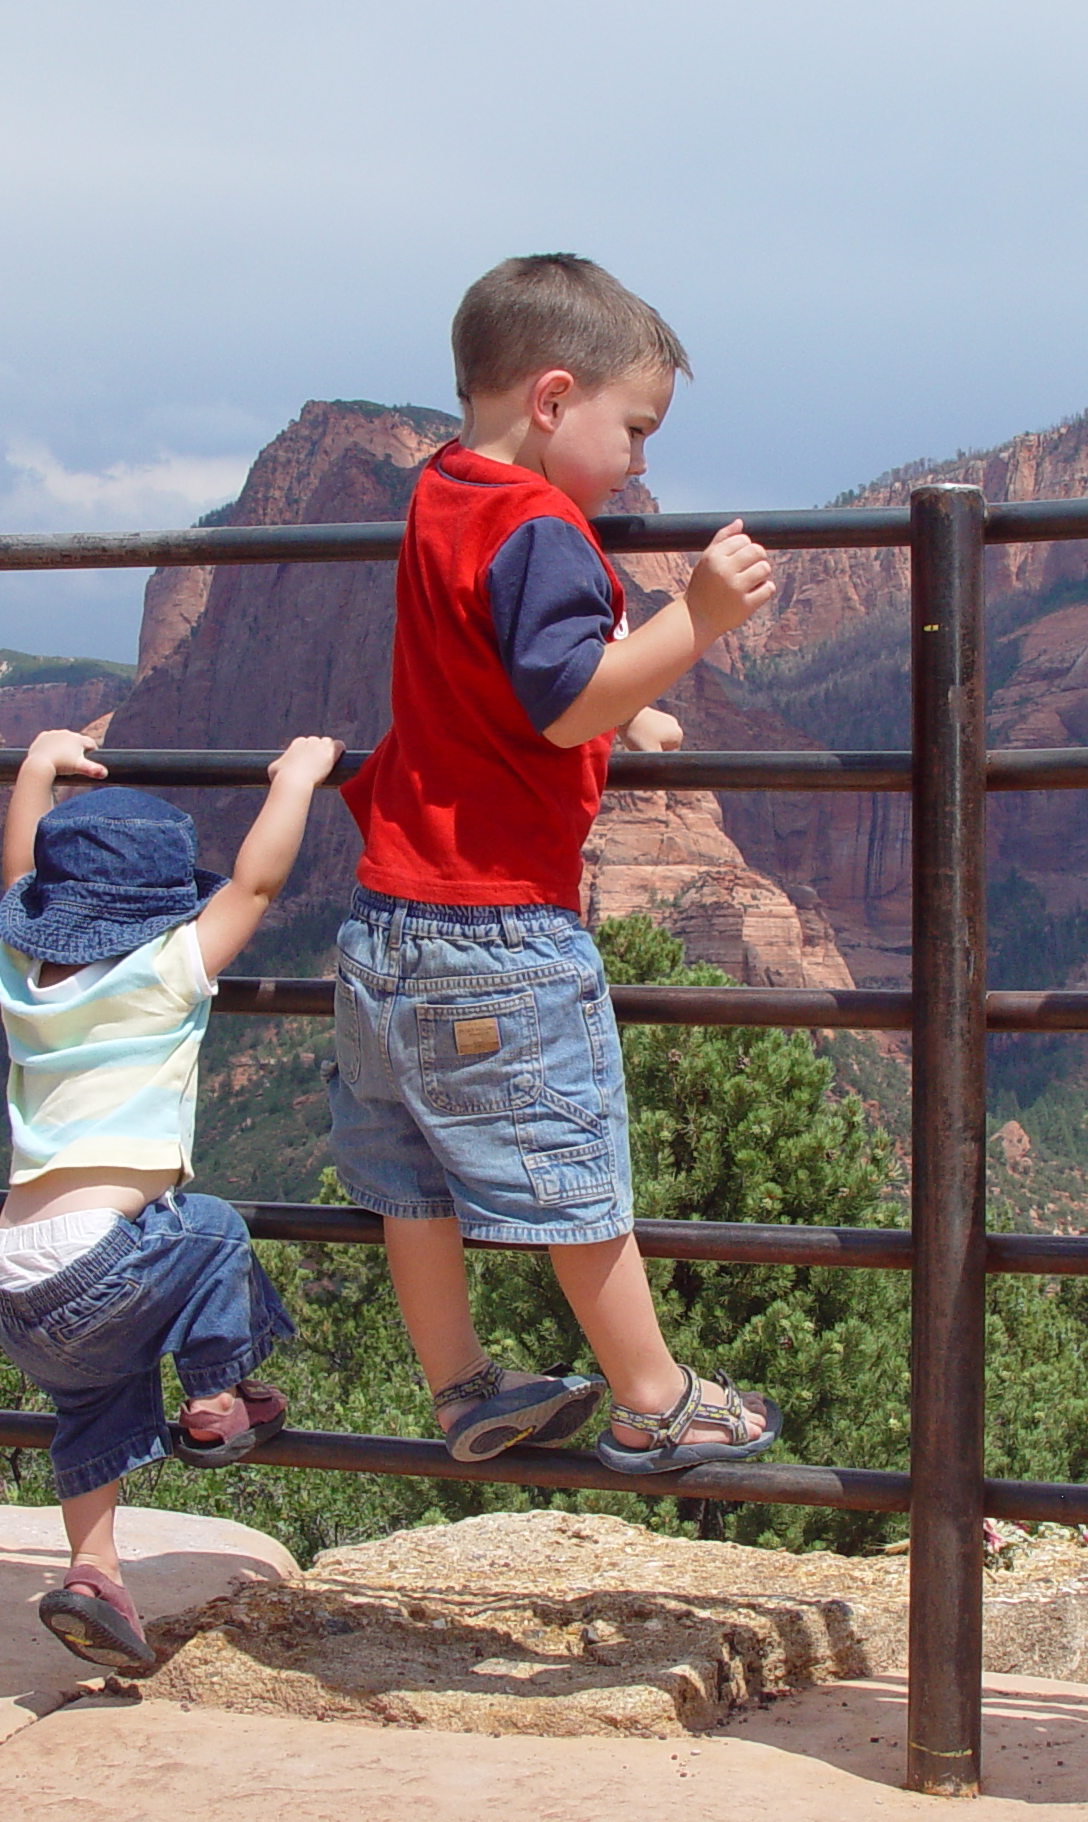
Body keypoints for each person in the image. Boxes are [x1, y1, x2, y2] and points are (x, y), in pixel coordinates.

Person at [331, 252, 784, 1473]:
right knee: (568, 1163)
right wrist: (695, 620)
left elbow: (499, 657)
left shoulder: (445, 491)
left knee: (413, 1176)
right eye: (632, 428)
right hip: (495, 930)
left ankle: (462, 1389)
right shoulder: (543, 524)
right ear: (551, 398)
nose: (640, 462)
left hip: (384, 923)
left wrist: (625, 705)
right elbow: (561, 700)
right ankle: (655, 1395)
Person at [0, 726, 342, 1670]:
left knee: (94, 1405)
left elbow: (20, 882)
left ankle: (94, 1574)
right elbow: (256, 884)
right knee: (213, 1228)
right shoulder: (165, 969)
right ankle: (219, 1398)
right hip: (100, 1267)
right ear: (160, 913)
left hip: (13, 1283)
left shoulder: (20, 973)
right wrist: (298, 776)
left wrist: (32, 775)